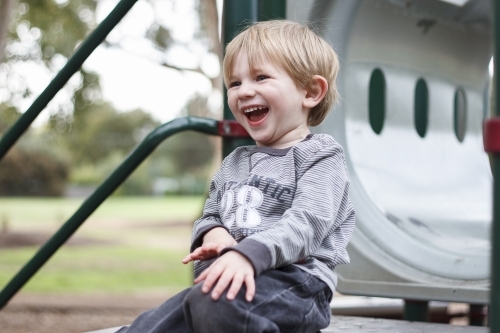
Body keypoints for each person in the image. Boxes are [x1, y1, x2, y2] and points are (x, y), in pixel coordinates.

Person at [116, 19, 355, 333]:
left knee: (213, 305)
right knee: (155, 322)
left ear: (310, 91)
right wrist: (216, 237)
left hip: (297, 284)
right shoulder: (236, 162)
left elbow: (307, 224)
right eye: (235, 83)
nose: (244, 91)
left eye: (260, 77)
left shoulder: (321, 157)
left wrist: (247, 255)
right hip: (237, 277)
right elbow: (212, 213)